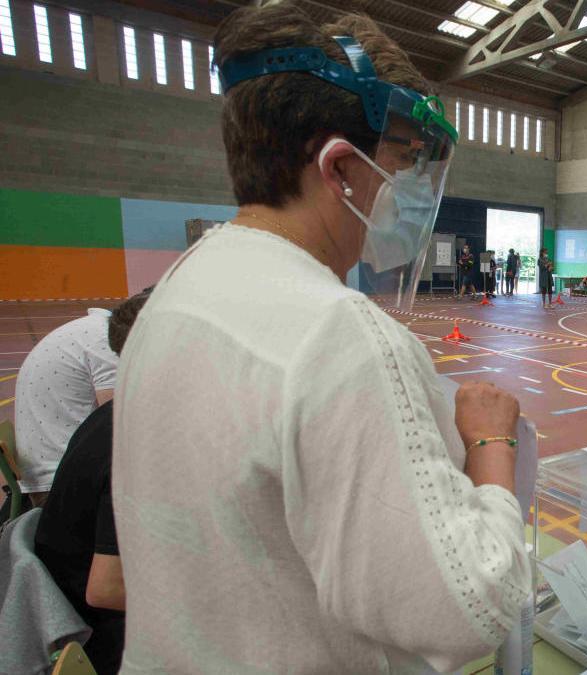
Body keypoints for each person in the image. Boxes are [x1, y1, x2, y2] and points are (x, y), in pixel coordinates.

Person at [112, 6, 529, 672]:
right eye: (403, 161)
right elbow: (469, 608)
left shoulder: (177, 293)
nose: (414, 189)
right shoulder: (335, 331)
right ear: (340, 169)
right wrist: (492, 445)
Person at [34, 289, 151, 675]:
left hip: (80, 605)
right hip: (104, 636)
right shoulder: (136, 440)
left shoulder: (120, 411)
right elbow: (106, 589)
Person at [13, 307, 118, 505]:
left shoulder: (95, 330)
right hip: (62, 488)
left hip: (56, 478)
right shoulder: (107, 341)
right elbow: (119, 425)